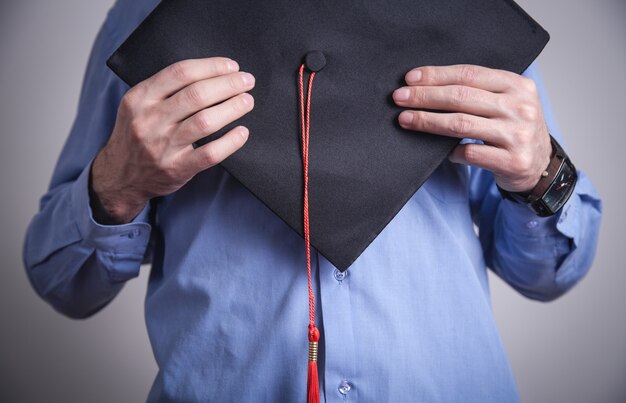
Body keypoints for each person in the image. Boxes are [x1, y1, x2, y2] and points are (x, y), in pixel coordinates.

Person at [23, 1, 601, 402]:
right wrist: (117, 185)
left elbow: (549, 273)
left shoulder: (469, 19)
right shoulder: (147, 19)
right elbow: (63, 282)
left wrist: (542, 171)